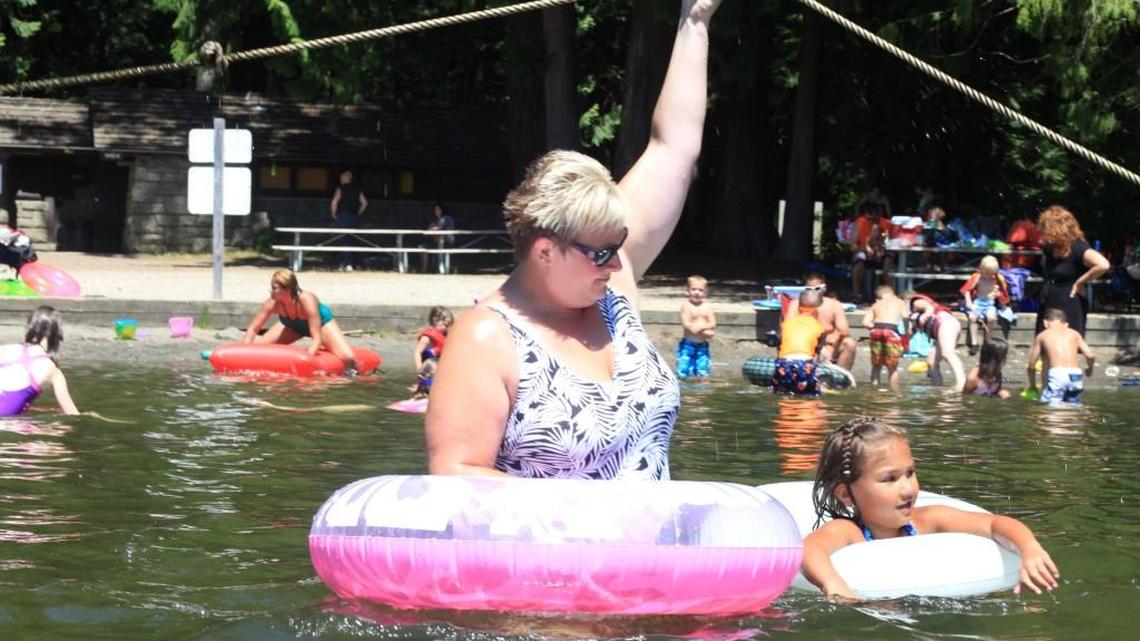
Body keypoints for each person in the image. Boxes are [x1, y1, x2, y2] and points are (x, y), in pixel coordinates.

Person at [424, 0, 720, 480]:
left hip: (651, 552)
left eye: (618, 244)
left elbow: (675, 147)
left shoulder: (608, 278)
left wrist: (695, 18)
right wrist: (593, 516)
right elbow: (457, 473)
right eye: (601, 252)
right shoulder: (486, 338)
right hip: (550, 553)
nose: (614, 263)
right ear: (545, 250)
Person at [802, 416, 1060, 600]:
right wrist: (834, 585)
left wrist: (1029, 548)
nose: (908, 488)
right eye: (889, 479)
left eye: (909, 473)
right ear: (847, 494)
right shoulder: (849, 532)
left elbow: (993, 524)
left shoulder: (929, 520)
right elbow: (808, 549)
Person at [242, 268, 357, 375]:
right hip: (292, 326)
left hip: (321, 325)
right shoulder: (272, 302)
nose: (271, 292)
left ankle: (353, 377)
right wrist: (244, 352)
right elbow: (253, 329)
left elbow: (317, 338)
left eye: (274, 288)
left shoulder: (306, 299)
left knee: (348, 358)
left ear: (288, 288)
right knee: (260, 349)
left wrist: (307, 360)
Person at [1033, 206, 1110, 337]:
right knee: (1044, 340)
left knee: (1068, 341)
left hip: (1070, 300)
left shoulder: (1078, 248)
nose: (1044, 232)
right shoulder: (1049, 249)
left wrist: (1080, 282)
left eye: (1046, 227)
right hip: (1049, 299)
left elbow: (1103, 265)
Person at [0, 305, 79, 416]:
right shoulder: (52, 371)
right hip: (8, 425)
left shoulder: (4, 349)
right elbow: (73, 415)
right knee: (57, 431)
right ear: (57, 335)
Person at [786, 273, 857, 371]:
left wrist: (830, 346)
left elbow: (844, 331)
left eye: (817, 288)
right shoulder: (795, 304)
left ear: (824, 288)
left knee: (849, 343)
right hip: (804, 344)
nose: (813, 292)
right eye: (809, 289)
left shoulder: (834, 304)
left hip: (830, 345)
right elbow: (788, 327)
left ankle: (839, 378)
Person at [1026, 308, 1094, 405]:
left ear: (1045, 322)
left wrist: (1032, 385)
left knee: (1049, 409)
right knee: (1073, 407)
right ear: (1066, 324)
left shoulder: (1042, 335)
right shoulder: (1075, 334)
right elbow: (1090, 355)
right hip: (1076, 375)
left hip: (1058, 375)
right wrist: (1090, 369)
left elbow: (1032, 365)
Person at [772, 290, 826, 397]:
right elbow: (815, 355)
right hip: (805, 364)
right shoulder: (820, 328)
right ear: (817, 310)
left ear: (798, 308)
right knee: (809, 397)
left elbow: (779, 347)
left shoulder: (786, 325)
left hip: (784, 363)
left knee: (782, 395)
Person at [907, 291, 965, 391]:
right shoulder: (912, 315)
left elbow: (930, 308)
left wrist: (925, 315)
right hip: (941, 330)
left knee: (948, 353)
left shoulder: (916, 302)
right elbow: (910, 332)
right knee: (932, 361)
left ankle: (962, 383)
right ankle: (938, 388)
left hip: (946, 323)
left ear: (906, 301)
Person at [959, 255, 1011, 355]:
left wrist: (996, 294)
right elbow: (966, 291)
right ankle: (974, 343)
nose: (989, 275)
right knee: (973, 317)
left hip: (989, 304)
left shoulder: (997, 279)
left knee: (991, 318)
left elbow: (1002, 292)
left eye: (991, 273)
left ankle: (988, 340)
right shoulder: (977, 277)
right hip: (978, 302)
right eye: (987, 273)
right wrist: (969, 301)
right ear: (982, 269)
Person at [861, 284, 908, 390]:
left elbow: (865, 322)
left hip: (876, 329)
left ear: (880, 296)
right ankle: (895, 393)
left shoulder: (876, 304)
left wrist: (876, 328)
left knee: (876, 366)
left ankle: (874, 391)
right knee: (892, 368)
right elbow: (905, 317)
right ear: (892, 293)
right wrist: (906, 334)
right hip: (892, 330)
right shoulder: (900, 302)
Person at [676, 274, 715, 378]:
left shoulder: (708, 307)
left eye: (701, 290)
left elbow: (712, 323)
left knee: (703, 369)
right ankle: (683, 387)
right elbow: (686, 323)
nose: (697, 292)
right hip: (688, 344)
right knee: (683, 368)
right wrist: (704, 331)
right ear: (687, 291)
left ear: (705, 292)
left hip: (702, 345)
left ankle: (702, 390)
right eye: (693, 289)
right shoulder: (686, 305)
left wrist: (701, 328)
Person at [411, 306, 454, 399]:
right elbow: (417, 353)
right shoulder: (427, 337)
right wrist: (420, 370)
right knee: (427, 390)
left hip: (438, 371)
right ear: (435, 320)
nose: (447, 328)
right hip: (428, 371)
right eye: (445, 324)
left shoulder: (444, 335)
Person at [330, 170, 368, 272]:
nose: (341, 179)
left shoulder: (340, 189)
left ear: (347, 178)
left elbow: (334, 202)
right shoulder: (357, 189)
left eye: (342, 178)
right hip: (354, 216)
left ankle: (348, 263)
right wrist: (358, 213)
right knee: (354, 239)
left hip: (343, 216)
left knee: (344, 240)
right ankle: (357, 263)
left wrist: (334, 214)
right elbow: (364, 203)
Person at [420, 202, 457, 274]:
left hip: (448, 243)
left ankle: (440, 270)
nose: (436, 211)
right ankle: (423, 271)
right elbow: (427, 233)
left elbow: (439, 228)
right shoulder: (435, 220)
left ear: (442, 210)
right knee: (422, 248)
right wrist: (431, 229)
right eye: (435, 210)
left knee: (439, 244)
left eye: (438, 209)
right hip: (437, 243)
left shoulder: (446, 218)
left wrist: (434, 229)